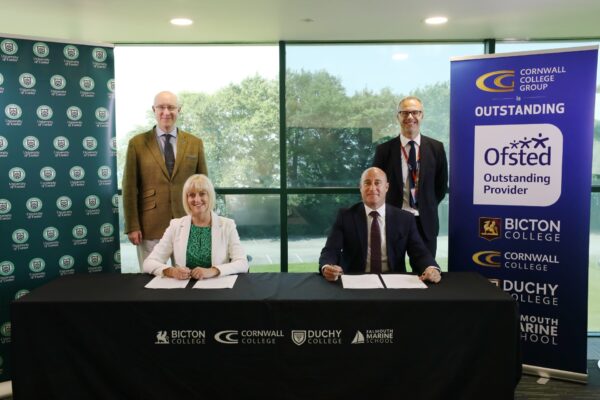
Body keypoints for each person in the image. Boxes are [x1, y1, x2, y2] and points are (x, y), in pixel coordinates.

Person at [123, 91, 208, 271]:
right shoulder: (136, 143)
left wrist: (205, 222)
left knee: (189, 277)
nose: (166, 112)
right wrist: (132, 225)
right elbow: (129, 188)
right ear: (153, 110)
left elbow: (204, 186)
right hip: (149, 226)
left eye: (171, 107)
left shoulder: (195, 143)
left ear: (179, 110)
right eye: (161, 107)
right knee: (151, 278)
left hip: (188, 223)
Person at [319, 167, 441, 283]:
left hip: (394, 281)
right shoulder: (345, 216)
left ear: (386, 187)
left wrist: (431, 268)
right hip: (355, 281)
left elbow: (419, 252)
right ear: (360, 188)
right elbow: (331, 250)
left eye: (377, 183)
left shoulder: (405, 219)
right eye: (367, 183)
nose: (372, 188)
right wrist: (327, 267)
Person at [373, 96, 448, 257]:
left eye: (415, 112)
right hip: (393, 220)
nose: (410, 117)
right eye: (405, 113)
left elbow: (441, 186)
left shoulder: (436, 148)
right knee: (394, 270)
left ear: (422, 115)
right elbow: (376, 187)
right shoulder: (384, 150)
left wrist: (427, 204)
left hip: (425, 222)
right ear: (398, 116)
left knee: (426, 268)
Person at [143, 174, 248, 279]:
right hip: (184, 286)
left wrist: (213, 271)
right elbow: (149, 263)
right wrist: (172, 271)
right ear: (186, 199)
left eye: (202, 194)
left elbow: (242, 263)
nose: (197, 200)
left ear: (210, 196)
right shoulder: (175, 225)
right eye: (192, 195)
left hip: (217, 285)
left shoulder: (227, 225)